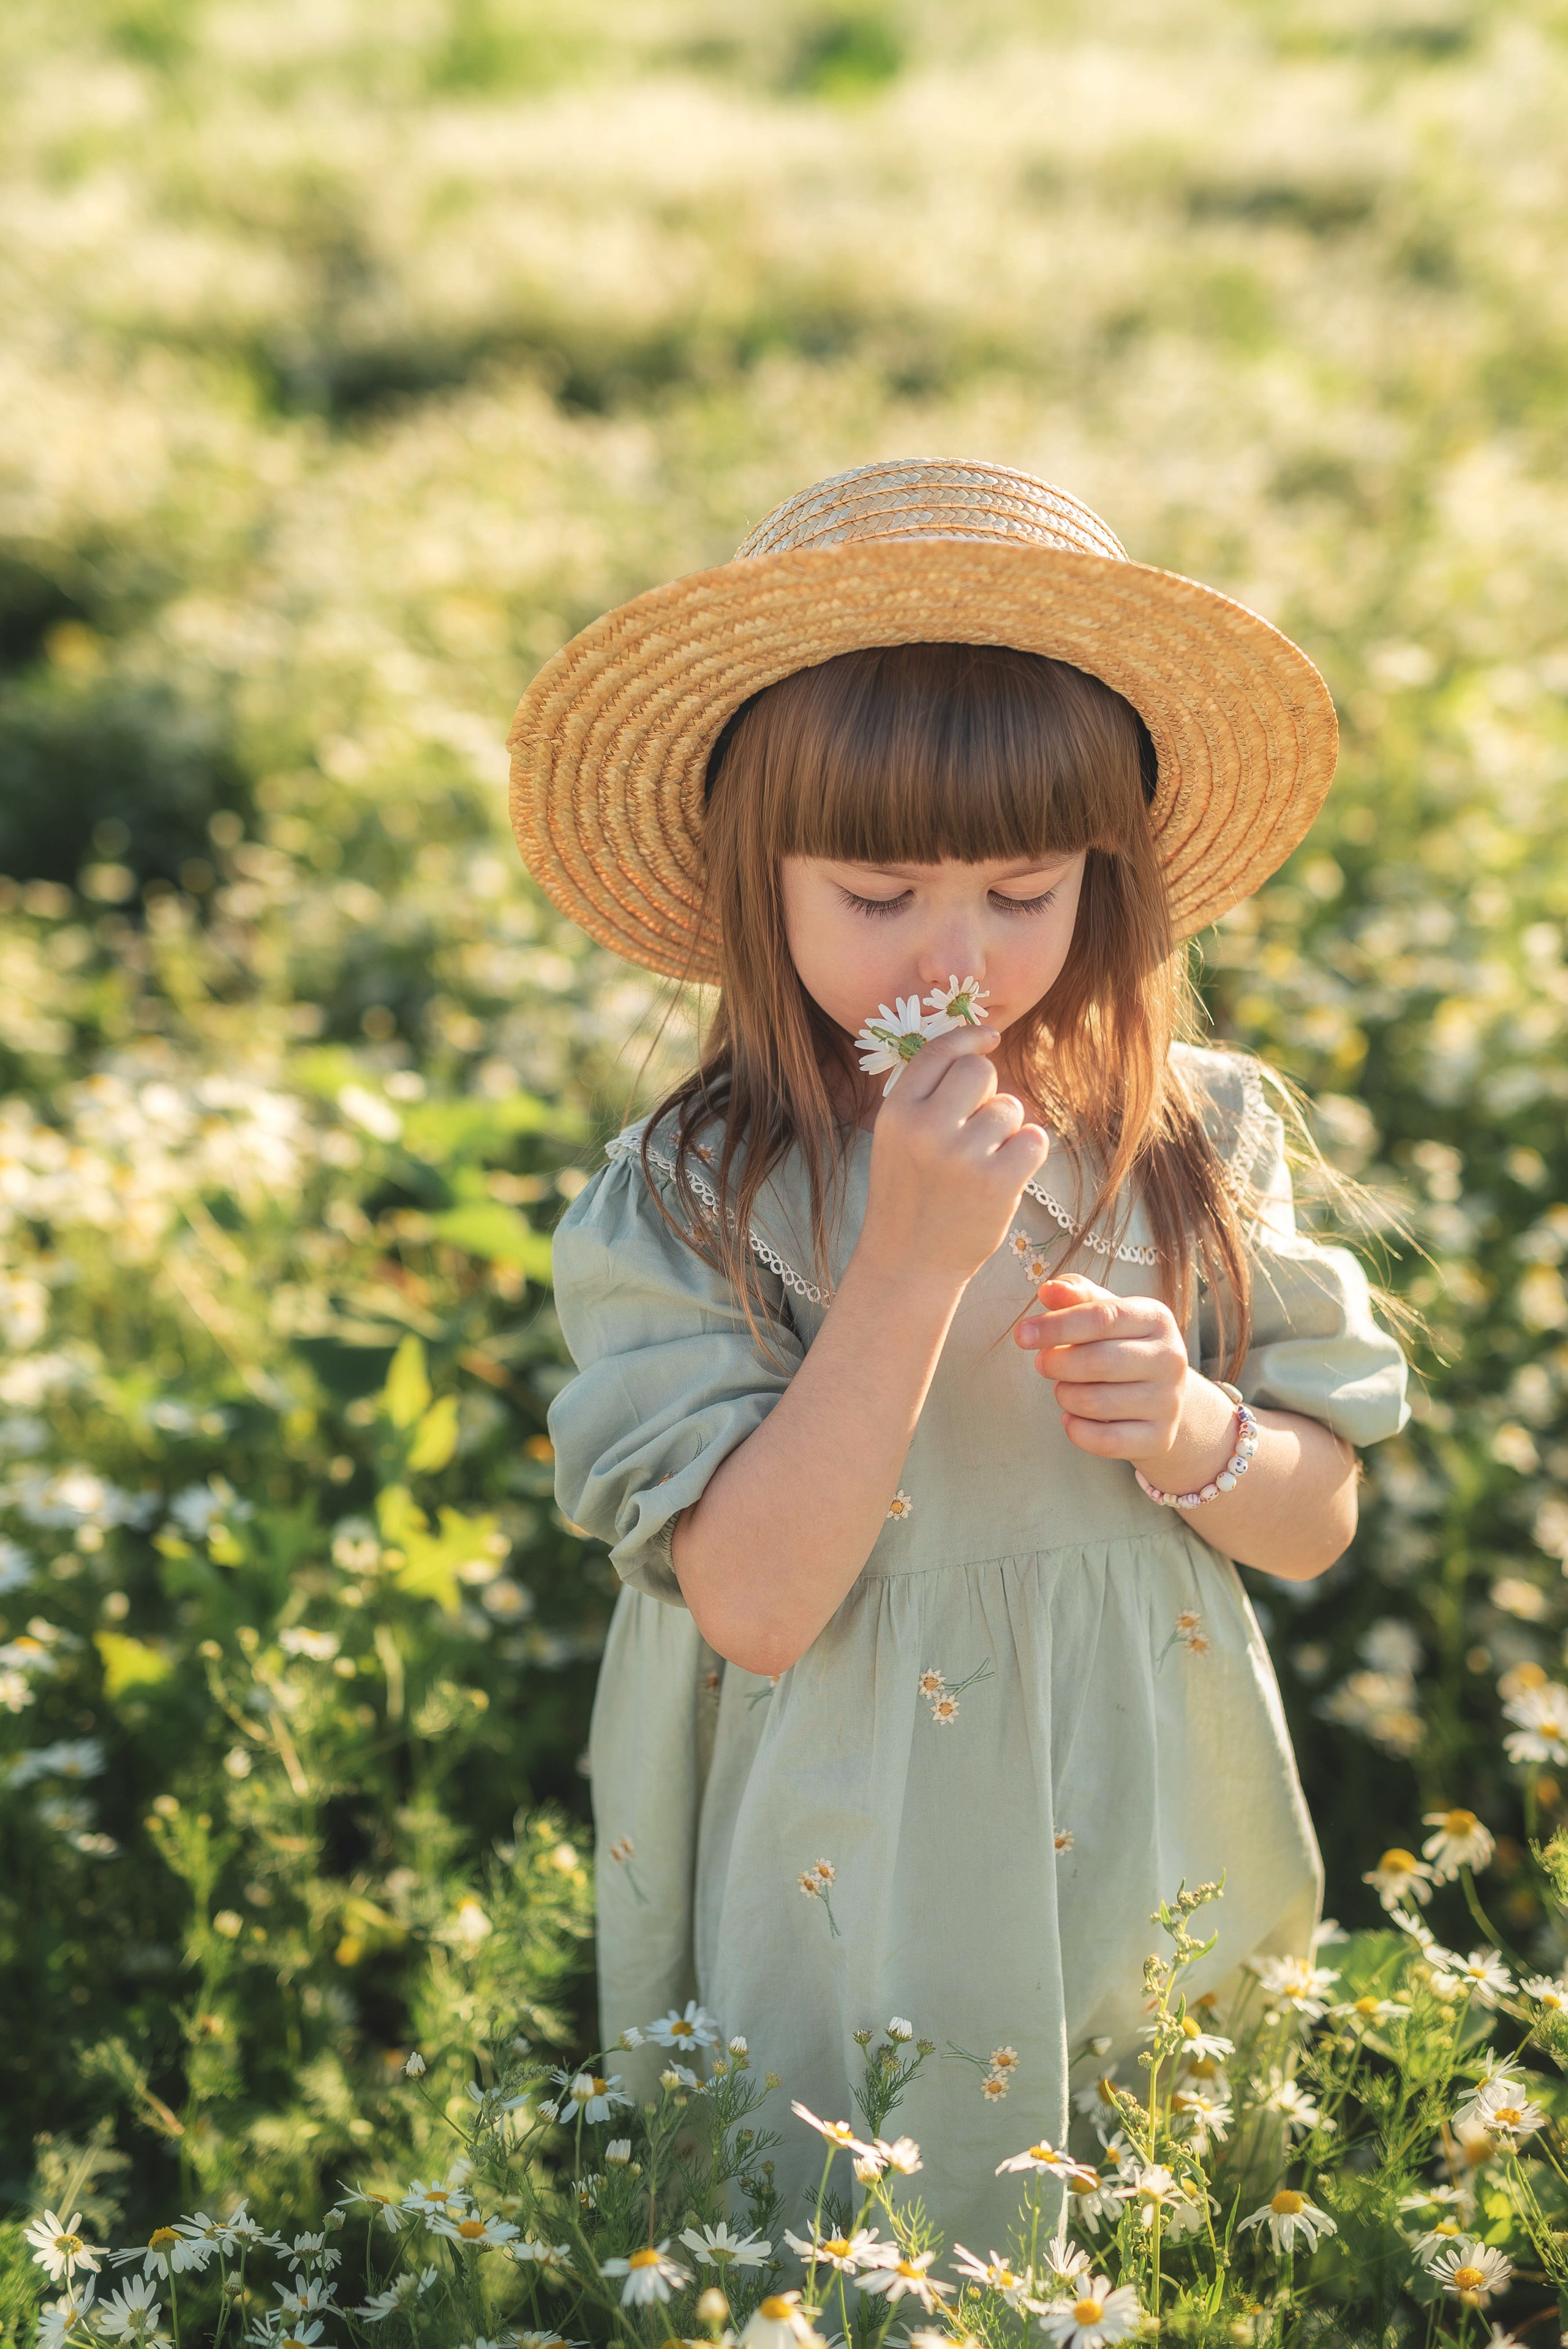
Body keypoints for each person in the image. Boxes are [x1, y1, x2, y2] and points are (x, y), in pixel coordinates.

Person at [507, 459, 1408, 2247]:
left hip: (1138, 1785)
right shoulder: (692, 1194)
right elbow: (756, 1606)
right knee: (856, 2225)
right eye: (877, 893)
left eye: (1022, 888)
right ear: (756, 878)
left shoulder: (1190, 1133)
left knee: (1152, 2226)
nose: (957, 959)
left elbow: (1316, 1521)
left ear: (1105, 878)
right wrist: (910, 1266)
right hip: (843, 1830)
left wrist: (1198, 1431)